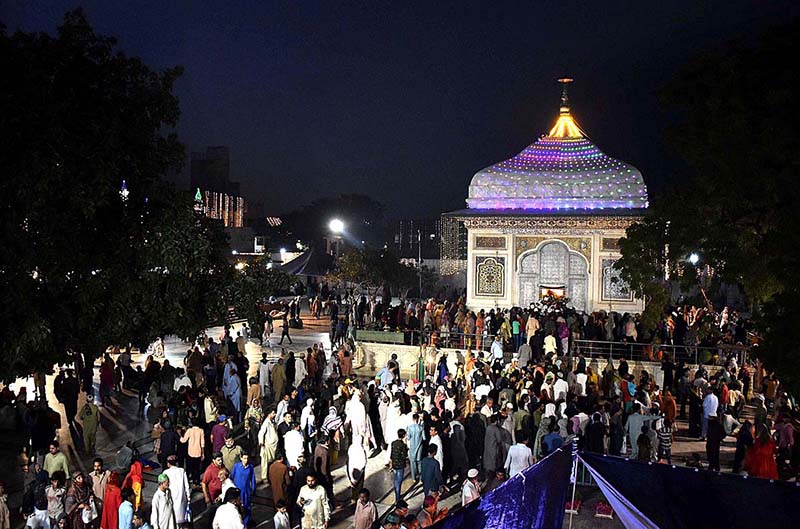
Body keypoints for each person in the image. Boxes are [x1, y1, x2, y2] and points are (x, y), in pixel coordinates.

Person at [162, 457, 190, 525]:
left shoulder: (165, 472)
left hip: (171, 497)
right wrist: (188, 497)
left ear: (168, 464)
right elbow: (187, 485)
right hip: (181, 497)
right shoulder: (181, 470)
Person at [230, 454, 256, 525]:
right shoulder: (236, 466)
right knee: (237, 509)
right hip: (237, 493)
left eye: (247, 458)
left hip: (246, 492)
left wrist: (253, 490)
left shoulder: (250, 467)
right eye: (244, 458)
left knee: (247, 509)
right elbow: (232, 477)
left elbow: (253, 479)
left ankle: (245, 524)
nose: (246, 460)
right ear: (241, 458)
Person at [179, 420, 204, 485]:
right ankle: (197, 481)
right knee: (197, 468)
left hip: (190, 452)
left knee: (190, 467)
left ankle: (191, 479)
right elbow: (202, 443)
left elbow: (183, 440)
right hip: (198, 452)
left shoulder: (189, 430)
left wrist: (179, 435)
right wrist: (203, 453)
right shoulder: (201, 431)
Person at [390, 429, 409, 503]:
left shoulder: (393, 443)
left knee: (395, 480)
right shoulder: (403, 445)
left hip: (394, 464)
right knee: (399, 481)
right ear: (403, 435)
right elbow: (404, 456)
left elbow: (392, 454)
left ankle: (396, 494)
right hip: (400, 465)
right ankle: (397, 497)